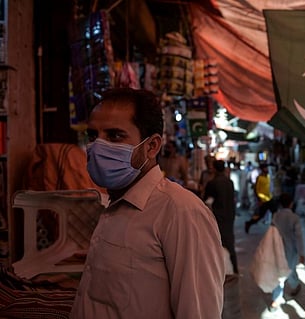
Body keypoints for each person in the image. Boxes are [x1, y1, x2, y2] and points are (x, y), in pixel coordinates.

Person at [71, 88, 225, 319]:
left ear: (151, 146)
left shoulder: (181, 211)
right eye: (93, 136)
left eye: (114, 136)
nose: (98, 146)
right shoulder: (112, 204)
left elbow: (198, 312)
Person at [269, 193, 305, 311]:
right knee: (287, 271)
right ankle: (276, 299)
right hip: (291, 250)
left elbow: (271, 232)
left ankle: (292, 287)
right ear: (291, 203)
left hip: (277, 248)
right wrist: (301, 253)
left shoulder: (275, 216)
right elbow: (299, 237)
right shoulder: (294, 218)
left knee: (281, 272)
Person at [204, 159, 239, 274]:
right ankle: (234, 268)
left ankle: (218, 270)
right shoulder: (229, 182)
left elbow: (206, 200)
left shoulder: (212, 183)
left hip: (217, 216)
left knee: (216, 243)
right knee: (229, 242)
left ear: (214, 168)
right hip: (229, 216)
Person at [244, 163, 277, 234]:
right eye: (265, 168)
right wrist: (259, 200)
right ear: (262, 169)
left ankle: (274, 227)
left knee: (275, 212)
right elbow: (256, 190)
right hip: (263, 200)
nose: (267, 169)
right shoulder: (259, 178)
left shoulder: (267, 176)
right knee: (260, 216)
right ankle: (249, 223)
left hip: (269, 198)